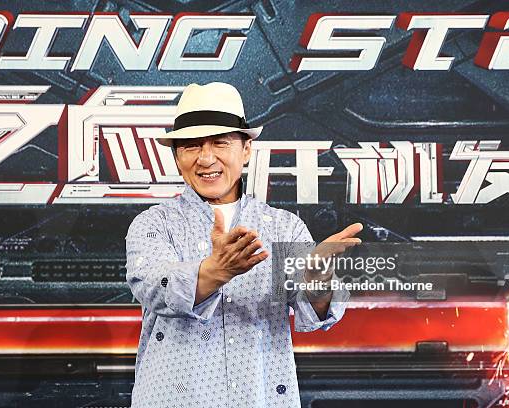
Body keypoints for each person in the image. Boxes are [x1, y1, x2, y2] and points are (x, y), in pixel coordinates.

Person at [125, 82, 362, 407]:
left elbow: (315, 312)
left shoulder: (283, 227)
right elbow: (154, 288)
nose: (206, 158)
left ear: (246, 150)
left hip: (260, 397)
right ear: (177, 156)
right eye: (191, 146)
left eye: (220, 143)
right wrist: (215, 272)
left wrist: (317, 281)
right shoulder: (154, 224)